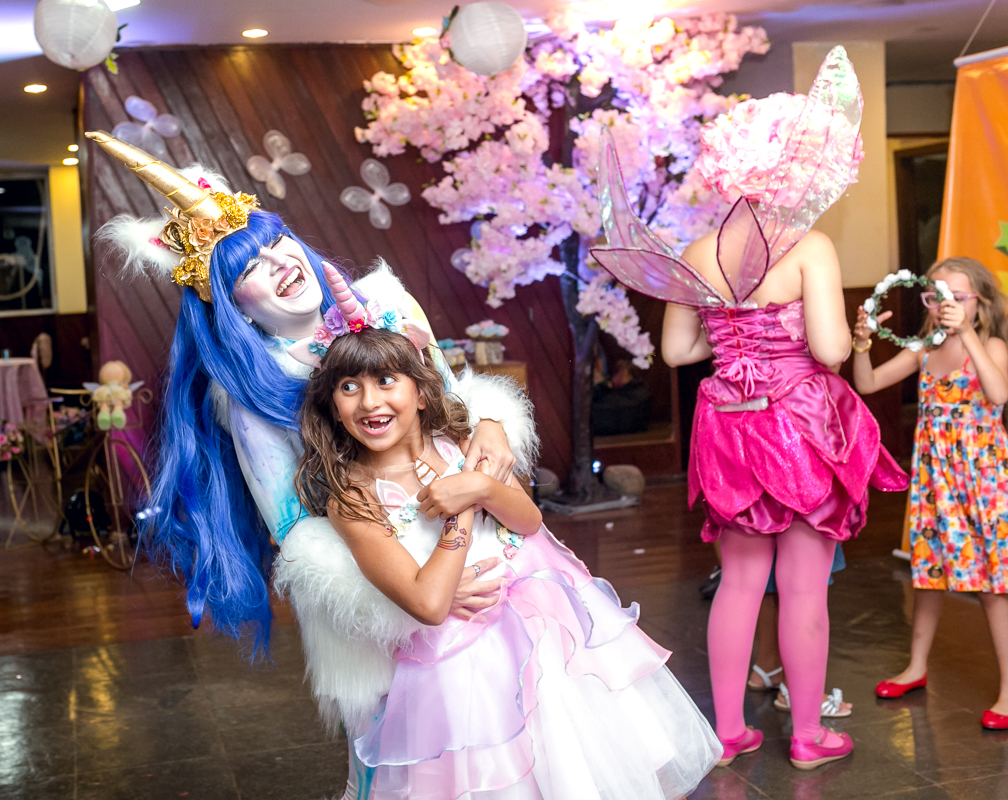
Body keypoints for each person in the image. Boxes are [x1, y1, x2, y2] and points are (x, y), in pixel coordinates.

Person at [87, 131, 538, 797]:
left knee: (526, 724)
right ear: (231, 305)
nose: (278, 263)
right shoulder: (247, 396)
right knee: (411, 761)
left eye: (277, 243)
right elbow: (295, 532)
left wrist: (496, 421)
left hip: (480, 532)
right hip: (380, 575)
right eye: (249, 269)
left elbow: (452, 402)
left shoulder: (385, 303)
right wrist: (410, 602)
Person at [591, 47, 908, 769]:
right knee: (803, 588)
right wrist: (832, 332)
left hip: (726, 421)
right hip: (797, 425)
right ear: (790, 167)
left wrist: (734, 338)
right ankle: (806, 737)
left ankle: (727, 732)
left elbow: (676, 355)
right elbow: (829, 351)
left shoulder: (697, 251)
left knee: (738, 581)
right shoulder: (810, 245)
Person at [293, 268, 723, 799]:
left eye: (386, 382)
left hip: (540, 620)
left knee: (571, 760)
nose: (370, 402)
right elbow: (428, 603)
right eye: (349, 388)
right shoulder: (353, 496)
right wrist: (462, 510)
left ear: (421, 393)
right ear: (333, 406)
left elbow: (529, 521)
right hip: (456, 659)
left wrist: (476, 484)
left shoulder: (458, 441)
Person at [853, 257, 1008, 729]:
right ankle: (917, 666)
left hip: (982, 481)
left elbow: (998, 394)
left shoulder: (993, 346)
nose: (945, 306)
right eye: (936, 297)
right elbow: (867, 382)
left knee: (991, 586)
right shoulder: (923, 348)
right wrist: (861, 345)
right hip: (935, 479)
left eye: (957, 298)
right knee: (929, 572)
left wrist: (967, 336)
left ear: (978, 304)